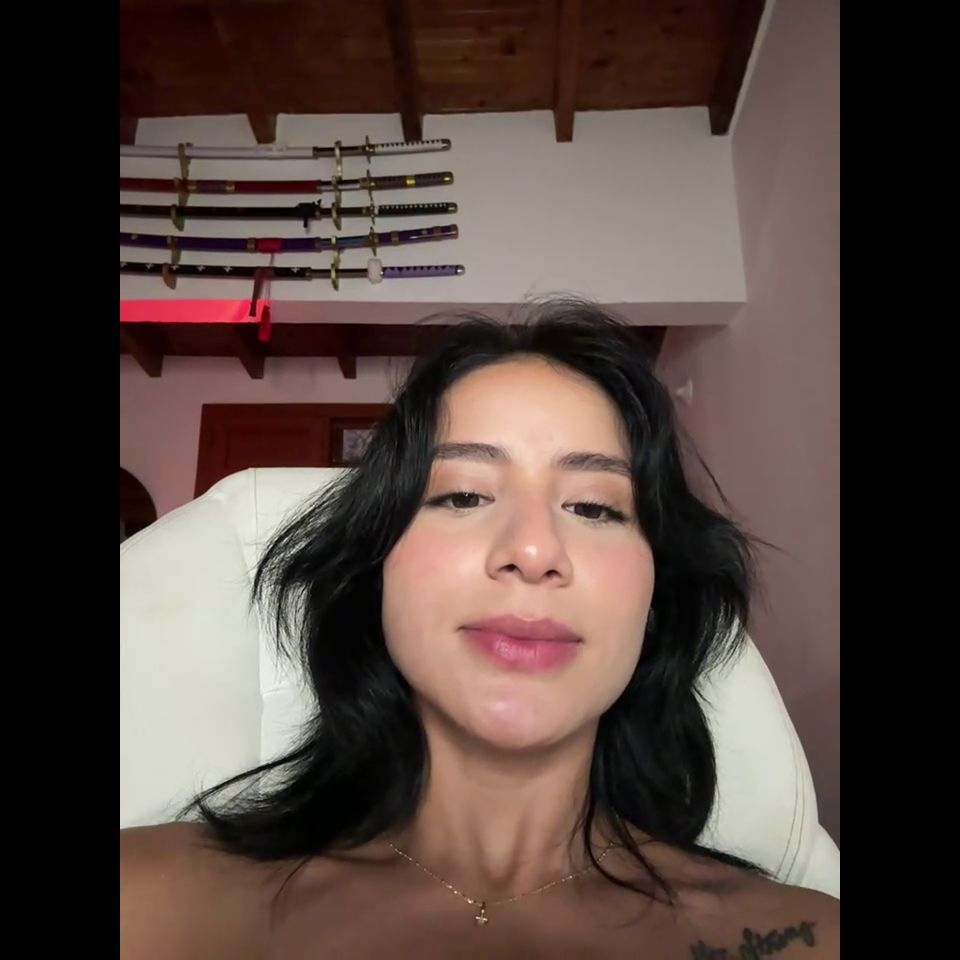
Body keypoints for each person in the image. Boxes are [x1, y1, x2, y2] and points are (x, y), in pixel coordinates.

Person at [121, 299, 839, 958]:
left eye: (594, 507)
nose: (533, 549)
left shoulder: (805, 939)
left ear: (655, 602)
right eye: (463, 495)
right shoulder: (151, 902)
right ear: (376, 575)